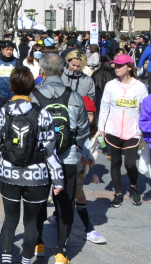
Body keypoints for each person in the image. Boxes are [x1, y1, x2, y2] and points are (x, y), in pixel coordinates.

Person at [0, 67, 64, 264]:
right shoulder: (43, 114)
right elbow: (50, 151)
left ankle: (6, 260)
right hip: (37, 178)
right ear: (33, 86)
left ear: (11, 86)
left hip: (9, 175)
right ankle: (27, 261)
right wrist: (58, 179)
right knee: (31, 223)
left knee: (10, 220)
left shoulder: (1, 113)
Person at [30, 54, 90, 264]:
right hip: (67, 157)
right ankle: (62, 252)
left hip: (41, 159)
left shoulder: (34, 95)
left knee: (38, 201)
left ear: (42, 71)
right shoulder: (74, 96)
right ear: (63, 70)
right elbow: (83, 128)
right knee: (65, 203)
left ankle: (38, 242)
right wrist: (77, 147)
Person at [99, 54, 148, 207]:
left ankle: (133, 188)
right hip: (113, 130)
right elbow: (104, 107)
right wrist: (101, 128)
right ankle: (118, 193)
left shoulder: (140, 87)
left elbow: (146, 109)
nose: (116, 68)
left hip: (132, 132)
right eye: (115, 65)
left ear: (129, 67)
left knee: (130, 164)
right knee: (115, 162)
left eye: (120, 65)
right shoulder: (110, 85)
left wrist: (144, 130)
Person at [75, 96, 107, 244]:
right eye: (85, 113)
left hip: (82, 170)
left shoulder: (95, 133)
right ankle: (89, 230)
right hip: (70, 168)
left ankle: (57, 216)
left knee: (69, 198)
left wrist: (92, 159)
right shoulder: (74, 128)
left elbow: (95, 151)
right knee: (80, 197)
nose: (88, 117)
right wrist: (80, 157)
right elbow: (68, 150)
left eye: (91, 114)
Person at [0, 40, 22, 119]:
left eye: (11, 50)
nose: (9, 52)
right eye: (7, 49)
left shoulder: (18, 62)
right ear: (2, 49)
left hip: (13, 96)